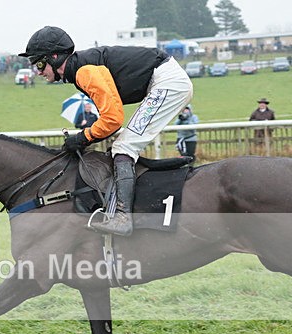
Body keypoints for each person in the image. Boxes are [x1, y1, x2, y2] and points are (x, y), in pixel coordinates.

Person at [19, 26, 193, 236]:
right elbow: (111, 117)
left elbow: (112, 120)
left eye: (39, 64)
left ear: (54, 57)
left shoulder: (84, 71)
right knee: (122, 146)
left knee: (124, 147)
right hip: (164, 80)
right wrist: (87, 136)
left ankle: (122, 218)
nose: (38, 72)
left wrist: (83, 137)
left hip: (168, 83)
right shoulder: (80, 69)